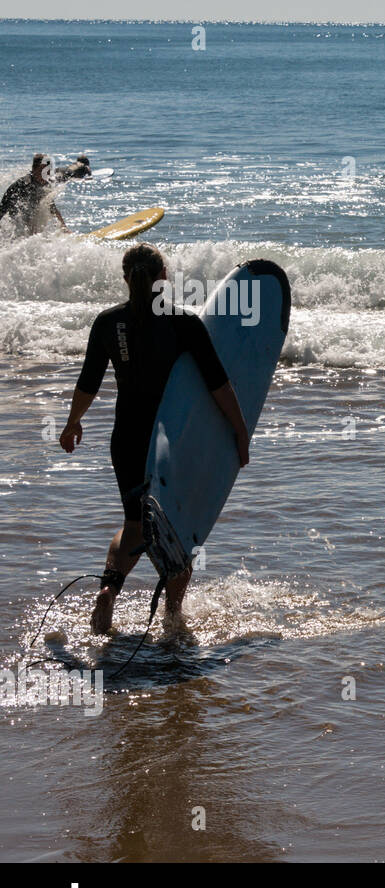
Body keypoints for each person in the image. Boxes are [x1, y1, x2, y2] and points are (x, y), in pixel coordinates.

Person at [59, 243, 250, 634]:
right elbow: (219, 385)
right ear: (164, 276)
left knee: (134, 524)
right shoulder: (183, 324)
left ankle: (110, 592)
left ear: (126, 278)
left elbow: (88, 382)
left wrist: (72, 423)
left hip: (126, 440)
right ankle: (172, 618)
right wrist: (239, 429)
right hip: (169, 443)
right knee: (179, 529)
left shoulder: (108, 323)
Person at [0, 153, 67, 235]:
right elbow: (29, 213)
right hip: (12, 207)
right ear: (34, 169)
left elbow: (52, 206)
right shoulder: (27, 185)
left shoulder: (43, 183)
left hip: (24, 210)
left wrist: (63, 226)